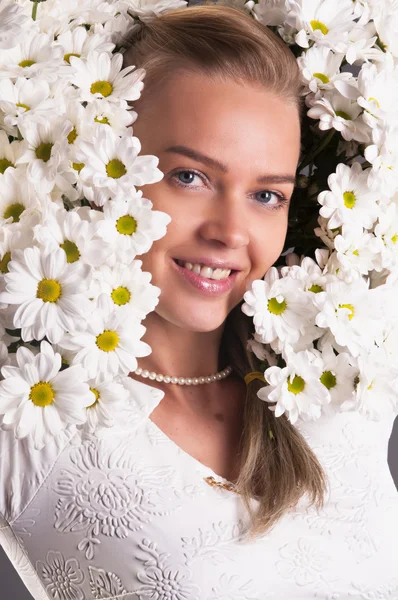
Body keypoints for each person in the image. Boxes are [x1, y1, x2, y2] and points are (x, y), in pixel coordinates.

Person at [0, 5, 397, 600]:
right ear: (99, 174)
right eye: (190, 177)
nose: (232, 232)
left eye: (267, 194)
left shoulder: (345, 394)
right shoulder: (29, 417)